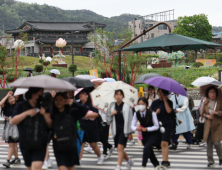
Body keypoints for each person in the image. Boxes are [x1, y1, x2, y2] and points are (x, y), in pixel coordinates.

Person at [50, 92, 95, 170]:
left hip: (70, 144)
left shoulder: (72, 112)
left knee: (71, 167)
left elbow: (85, 110)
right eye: (56, 100)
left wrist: (74, 103)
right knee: (61, 167)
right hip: (58, 145)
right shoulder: (53, 113)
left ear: (65, 100)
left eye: (61, 100)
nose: (58, 102)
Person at [11, 87, 52, 170]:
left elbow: (50, 124)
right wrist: (26, 113)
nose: (42, 95)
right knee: (29, 167)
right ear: (33, 94)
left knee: (36, 167)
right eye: (40, 92)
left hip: (40, 142)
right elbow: (13, 121)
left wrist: (44, 114)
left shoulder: (43, 106)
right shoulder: (21, 106)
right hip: (26, 142)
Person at [131, 97, 163, 170]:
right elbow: (132, 125)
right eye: (139, 104)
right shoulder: (136, 113)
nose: (141, 105)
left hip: (153, 134)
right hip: (143, 135)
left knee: (146, 148)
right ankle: (156, 165)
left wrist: (147, 129)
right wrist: (136, 128)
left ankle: (143, 166)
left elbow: (156, 126)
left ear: (146, 104)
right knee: (149, 151)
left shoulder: (152, 113)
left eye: (142, 104)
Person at [107, 89, 134, 170]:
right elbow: (108, 120)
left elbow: (130, 120)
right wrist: (111, 114)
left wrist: (130, 133)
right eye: (117, 94)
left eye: (120, 94)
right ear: (114, 96)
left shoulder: (126, 106)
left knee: (119, 149)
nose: (118, 96)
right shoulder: (112, 106)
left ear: (123, 96)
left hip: (124, 131)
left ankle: (118, 166)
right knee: (120, 149)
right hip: (115, 131)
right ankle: (129, 161)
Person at [78, 89, 104, 165]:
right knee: (81, 144)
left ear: (86, 96)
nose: (80, 95)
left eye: (83, 93)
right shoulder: (78, 104)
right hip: (81, 127)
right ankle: (78, 159)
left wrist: (86, 115)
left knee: (93, 144)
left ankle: (99, 156)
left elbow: (96, 114)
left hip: (91, 127)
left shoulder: (91, 104)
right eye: (80, 93)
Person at [150, 88, 173, 168]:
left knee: (164, 142)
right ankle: (164, 160)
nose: (160, 94)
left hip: (167, 124)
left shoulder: (169, 102)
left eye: (162, 92)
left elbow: (169, 111)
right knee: (160, 143)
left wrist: (165, 100)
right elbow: (150, 113)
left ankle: (165, 161)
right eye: (159, 92)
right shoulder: (155, 102)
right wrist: (155, 112)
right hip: (158, 125)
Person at [201, 86, 222, 167]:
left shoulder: (219, 102)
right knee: (209, 144)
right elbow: (202, 113)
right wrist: (207, 116)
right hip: (208, 126)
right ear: (208, 94)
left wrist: (217, 113)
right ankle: (210, 161)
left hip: (217, 126)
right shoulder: (205, 102)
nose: (213, 94)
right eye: (211, 92)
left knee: (217, 143)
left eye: (214, 92)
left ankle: (221, 157)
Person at [0, 91, 21, 168]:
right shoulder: (6, 107)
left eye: (13, 98)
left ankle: (8, 161)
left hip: (15, 127)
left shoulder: (17, 106)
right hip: (8, 128)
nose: (13, 99)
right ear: (7, 101)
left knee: (11, 144)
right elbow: (0, 103)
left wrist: (10, 119)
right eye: (10, 99)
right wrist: (7, 95)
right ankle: (16, 158)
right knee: (14, 144)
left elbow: (19, 117)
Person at [42, 92, 54, 170]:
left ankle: (45, 162)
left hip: (46, 128)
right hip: (49, 128)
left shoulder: (46, 107)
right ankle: (48, 160)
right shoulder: (52, 106)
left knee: (45, 145)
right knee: (45, 145)